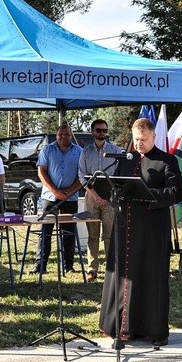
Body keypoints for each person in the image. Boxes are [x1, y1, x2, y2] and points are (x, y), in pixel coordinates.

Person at [98, 118, 182, 347]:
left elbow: (176, 193)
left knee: (149, 277)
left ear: (154, 137)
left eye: (143, 139)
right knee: (121, 275)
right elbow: (116, 186)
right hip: (124, 226)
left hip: (151, 232)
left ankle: (150, 328)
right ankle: (118, 327)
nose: (139, 144)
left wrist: (148, 195)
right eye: (136, 139)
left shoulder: (167, 160)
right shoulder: (126, 159)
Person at [30, 124, 83, 275]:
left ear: (71, 136)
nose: (63, 137)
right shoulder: (47, 149)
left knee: (68, 233)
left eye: (66, 135)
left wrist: (69, 192)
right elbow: (41, 172)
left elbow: (82, 175)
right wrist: (55, 191)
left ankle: (68, 266)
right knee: (45, 232)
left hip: (71, 198)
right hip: (49, 197)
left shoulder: (79, 151)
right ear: (56, 135)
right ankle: (41, 265)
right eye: (60, 134)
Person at [77, 119, 122, 283]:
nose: (102, 133)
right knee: (92, 235)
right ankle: (92, 270)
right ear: (92, 132)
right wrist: (95, 196)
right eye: (98, 130)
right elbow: (81, 175)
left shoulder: (115, 150)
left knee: (110, 235)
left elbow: (120, 174)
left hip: (110, 197)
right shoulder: (86, 152)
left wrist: (111, 194)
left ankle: (112, 269)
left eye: (104, 130)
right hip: (91, 196)